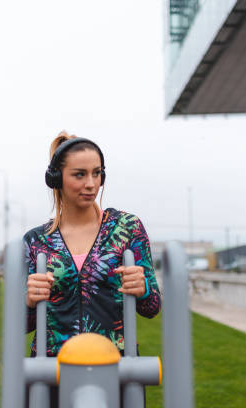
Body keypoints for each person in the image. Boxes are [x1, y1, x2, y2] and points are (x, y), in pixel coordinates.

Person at [23, 131, 161, 360]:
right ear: (57, 179)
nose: (90, 184)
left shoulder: (126, 228)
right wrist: (29, 300)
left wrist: (143, 288)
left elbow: (152, 307)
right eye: (79, 175)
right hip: (52, 369)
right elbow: (22, 326)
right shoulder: (36, 241)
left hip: (115, 364)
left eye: (96, 174)